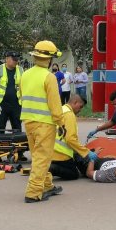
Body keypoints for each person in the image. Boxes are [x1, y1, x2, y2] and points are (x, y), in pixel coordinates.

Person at [20, 40, 66, 203]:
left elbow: (21, 98)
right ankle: (33, 193)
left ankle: (47, 185)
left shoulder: (25, 74)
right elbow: (55, 104)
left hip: (28, 121)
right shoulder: (49, 77)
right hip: (45, 123)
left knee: (38, 156)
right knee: (42, 157)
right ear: (50, 59)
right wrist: (61, 123)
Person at [50, 94, 97, 180]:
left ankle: (48, 166)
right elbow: (70, 139)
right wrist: (86, 152)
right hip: (60, 154)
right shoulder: (69, 115)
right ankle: (52, 168)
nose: (80, 110)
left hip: (50, 151)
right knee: (73, 174)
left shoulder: (61, 109)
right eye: (80, 106)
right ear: (75, 102)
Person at [0, 51, 26, 161]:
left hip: (16, 105)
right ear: (7, 58)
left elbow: (23, 86)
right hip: (2, 105)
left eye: (17, 59)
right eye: (13, 59)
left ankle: (19, 154)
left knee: (17, 130)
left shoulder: (20, 70)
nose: (16, 61)